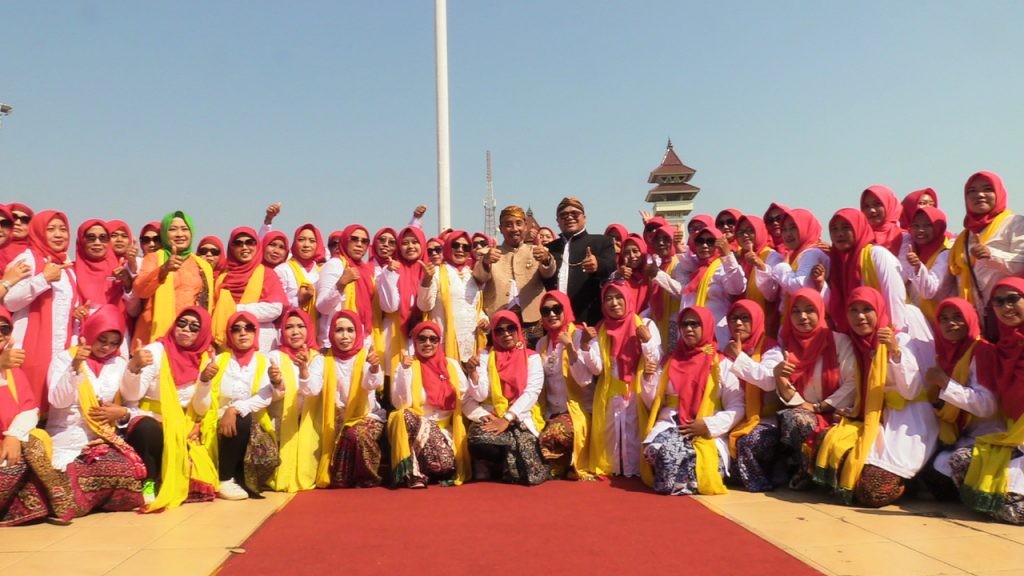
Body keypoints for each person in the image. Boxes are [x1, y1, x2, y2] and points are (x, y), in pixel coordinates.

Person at [814, 287, 937, 507]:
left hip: (907, 422)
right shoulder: (856, 344)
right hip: (874, 418)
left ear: (879, 310)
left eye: (867, 309)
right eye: (854, 310)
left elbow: (910, 389)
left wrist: (894, 350)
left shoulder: (900, 339)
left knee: (873, 491)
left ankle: (914, 481)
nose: (860, 316)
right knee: (829, 445)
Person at [46, 305, 147, 514]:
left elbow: (131, 401)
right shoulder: (64, 358)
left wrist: (121, 413)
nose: (106, 348)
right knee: (66, 473)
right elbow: (58, 401)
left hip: (102, 440)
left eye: (114, 343)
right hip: (66, 436)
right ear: (91, 332)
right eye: (102, 340)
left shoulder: (118, 363)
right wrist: (75, 366)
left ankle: (84, 498)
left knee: (125, 472)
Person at [122, 306, 218, 511]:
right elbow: (132, 395)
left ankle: (164, 479)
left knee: (198, 472)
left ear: (202, 333)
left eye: (194, 327)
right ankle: (148, 482)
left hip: (183, 422)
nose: (186, 330)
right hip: (150, 415)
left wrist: (204, 382)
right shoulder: (156, 352)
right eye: (181, 323)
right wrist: (134, 368)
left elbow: (201, 408)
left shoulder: (204, 358)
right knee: (149, 429)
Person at [641, 306, 743, 495]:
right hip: (673, 425)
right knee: (656, 451)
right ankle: (685, 479)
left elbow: (737, 406)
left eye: (695, 324)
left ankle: (685, 479)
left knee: (700, 461)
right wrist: (648, 380)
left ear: (707, 326)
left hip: (707, 429)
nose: (688, 329)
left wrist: (708, 425)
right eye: (684, 324)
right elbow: (652, 403)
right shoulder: (670, 362)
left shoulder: (720, 363)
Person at [951, 278, 1024, 524]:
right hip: (1014, 438)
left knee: (1011, 510)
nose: (1006, 307)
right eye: (999, 301)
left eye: (1014, 298)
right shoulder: (1002, 350)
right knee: (960, 461)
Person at [0, 306, 78, 525]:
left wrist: (14, 435)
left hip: (8, 447)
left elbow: (28, 408)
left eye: (5, 329)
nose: (0, 335)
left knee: (33, 446)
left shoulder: (13, 370)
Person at [773, 288, 857, 489]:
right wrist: (778, 376)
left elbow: (852, 382)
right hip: (806, 411)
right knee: (795, 419)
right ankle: (807, 471)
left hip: (839, 411)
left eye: (809, 310)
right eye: (796, 311)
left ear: (820, 311)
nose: (802, 316)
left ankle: (825, 475)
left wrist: (821, 406)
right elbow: (786, 386)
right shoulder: (786, 345)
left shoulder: (838, 341)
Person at [916, 298, 999, 501]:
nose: (950, 323)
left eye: (957, 317)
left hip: (991, 436)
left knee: (952, 466)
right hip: (963, 436)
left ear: (970, 319)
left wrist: (945, 383)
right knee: (929, 470)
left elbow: (986, 406)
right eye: (943, 319)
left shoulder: (982, 351)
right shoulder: (945, 354)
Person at [3, 210, 82, 415]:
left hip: (59, 351)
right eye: (51, 229)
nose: (58, 235)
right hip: (29, 350)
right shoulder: (27, 260)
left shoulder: (68, 267)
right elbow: (9, 301)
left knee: (54, 407)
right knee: (26, 408)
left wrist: (78, 313)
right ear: (38, 231)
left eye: (63, 229)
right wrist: (43, 279)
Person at [201, 311, 280, 499]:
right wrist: (204, 380)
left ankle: (235, 476)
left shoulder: (264, 361)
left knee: (241, 419)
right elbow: (204, 397)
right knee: (238, 420)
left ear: (256, 332)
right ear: (229, 335)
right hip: (215, 422)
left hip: (251, 423)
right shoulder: (218, 361)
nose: (243, 333)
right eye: (236, 329)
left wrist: (234, 409)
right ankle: (225, 479)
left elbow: (265, 395)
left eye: (249, 328)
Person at [463, 311, 548, 485]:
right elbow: (480, 394)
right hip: (493, 413)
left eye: (510, 328)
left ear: (518, 330)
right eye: (499, 330)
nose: (506, 334)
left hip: (521, 415)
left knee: (529, 473)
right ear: (493, 334)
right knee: (479, 441)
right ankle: (502, 460)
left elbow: (531, 392)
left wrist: (507, 419)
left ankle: (504, 462)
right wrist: (473, 374)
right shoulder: (486, 355)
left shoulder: (532, 357)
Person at [587, 282, 661, 478]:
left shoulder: (645, 325)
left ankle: (635, 469)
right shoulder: (601, 329)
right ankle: (616, 468)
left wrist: (647, 341)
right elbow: (596, 369)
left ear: (628, 298)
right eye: (609, 298)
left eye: (619, 297)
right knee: (612, 433)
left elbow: (655, 361)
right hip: (610, 390)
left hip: (638, 388)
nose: (614, 303)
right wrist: (586, 346)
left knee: (634, 431)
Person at [304, 310, 385, 488]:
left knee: (355, 433)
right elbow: (311, 389)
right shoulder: (323, 359)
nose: (345, 336)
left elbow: (372, 384)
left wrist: (374, 367)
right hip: (334, 420)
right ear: (331, 333)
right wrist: (304, 370)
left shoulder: (365, 356)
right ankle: (344, 475)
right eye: (339, 330)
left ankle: (368, 477)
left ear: (358, 333)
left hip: (366, 416)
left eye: (350, 330)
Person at [825, 208, 930, 341]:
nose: (839, 234)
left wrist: (894, 335)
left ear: (859, 228)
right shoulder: (837, 262)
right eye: (834, 229)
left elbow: (894, 297)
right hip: (863, 335)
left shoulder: (876, 255)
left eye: (846, 227)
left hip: (894, 332)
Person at [388, 321, 470, 488]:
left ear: (439, 342)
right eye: (422, 339)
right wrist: (404, 370)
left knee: (444, 464)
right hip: (417, 427)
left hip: (444, 431)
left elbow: (465, 394)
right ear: (415, 341)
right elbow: (400, 403)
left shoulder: (451, 365)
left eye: (433, 339)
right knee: (402, 415)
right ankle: (414, 475)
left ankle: (426, 468)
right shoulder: (407, 365)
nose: (427, 343)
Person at [948, 171, 1024, 336]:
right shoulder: (964, 236)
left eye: (988, 189)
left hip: (1011, 314)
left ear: (998, 193)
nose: (979, 195)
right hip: (978, 320)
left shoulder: (1014, 223)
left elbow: (1021, 264)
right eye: (972, 191)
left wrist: (991, 255)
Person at [535, 291, 598, 479]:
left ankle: (565, 460)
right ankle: (562, 461)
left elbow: (585, 380)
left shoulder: (580, 335)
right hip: (550, 412)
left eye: (557, 308)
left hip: (576, 410)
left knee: (551, 437)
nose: (552, 315)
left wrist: (570, 348)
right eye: (546, 311)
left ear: (566, 308)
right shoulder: (541, 343)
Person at [723, 300, 784, 492]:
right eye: (734, 318)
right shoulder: (724, 348)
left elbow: (768, 380)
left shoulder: (771, 348)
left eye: (745, 318)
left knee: (747, 443)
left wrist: (739, 357)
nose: (739, 324)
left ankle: (763, 480)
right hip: (734, 416)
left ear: (756, 320)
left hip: (764, 420)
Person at [132, 211, 214, 346]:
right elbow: (140, 290)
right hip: (155, 338)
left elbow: (208, 305)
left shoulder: (203, 265)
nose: (180, 234)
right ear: (164, 234)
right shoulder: (155, 257)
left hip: (190, 338)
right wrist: (164, 269)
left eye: (184, 229)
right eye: (173, 229)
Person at [474, 206, 550, 343]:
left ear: (525, 226)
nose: (514, 229)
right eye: (508, 225)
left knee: (532, 359)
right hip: (500, 320)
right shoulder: (490, 253)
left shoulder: (536, 251)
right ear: (501, 228)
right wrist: (485, 262)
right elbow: (479, 278)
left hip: (532, 319)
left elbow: (549, 272)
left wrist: (546, 259)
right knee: (502, 361)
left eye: (519, 224)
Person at [539, 197, 616, 326]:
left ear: (584, 218)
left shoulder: (601, 242)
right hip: (555, 322)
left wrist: (598, 264)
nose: (569, 217)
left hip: (589, 321)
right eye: (563, 215)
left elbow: (612, 267)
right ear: (557, 221)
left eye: (574, 213)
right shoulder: (550, 249)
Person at [266, 308, 319, 492]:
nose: (295, 332)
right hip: (280, 420)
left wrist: (305, 369)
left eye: (300, 326)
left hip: (309, 420)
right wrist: (276, 381)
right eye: (289, 327)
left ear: (309, 329)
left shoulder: (317, 358)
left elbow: (313, 391)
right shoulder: (274, 357)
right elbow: (271, 396)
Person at [210, 227, 287, 353]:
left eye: (249, 242)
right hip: (225, 342)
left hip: (261, 343)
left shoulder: (267, 273)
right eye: (238, 243)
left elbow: (275, 308)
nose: (244, 247)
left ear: (257, 245)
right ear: (231, 248)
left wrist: (235, 309)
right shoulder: (222, 278)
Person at [418, 231, 488, 366]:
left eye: (466, 247)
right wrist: (427, 280)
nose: (461, 250)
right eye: (456, 245)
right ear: (448, 248)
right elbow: (424, 306)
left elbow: (475, 308)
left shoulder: (472, 275)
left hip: (471, 343)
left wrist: (484, 319)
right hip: (445, 345)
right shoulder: (437, 273)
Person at [677, 225, 746, 348]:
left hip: (717, 334)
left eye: (710, 241)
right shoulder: (695, 269)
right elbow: (685, 259)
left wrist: (727, 255)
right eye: (700, 241)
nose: (704, 246)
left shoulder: (722, 266)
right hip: (691, 334)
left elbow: (737, 287)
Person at [315, 225, 375, 349]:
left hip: (360, 340)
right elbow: (322, 307)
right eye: (354, 239)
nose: (359, 244)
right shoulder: (335, 265)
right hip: (334, 341)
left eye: (364, 241)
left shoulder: (366, 270)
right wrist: (341, 284)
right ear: (345, 241)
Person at [900, 206, 954, 321]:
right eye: (916, 226)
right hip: (917, 321)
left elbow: (928, 292)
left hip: (939, 321)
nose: (920, 230)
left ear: (938, 227)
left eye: (927, 225)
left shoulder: (945, 254)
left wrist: (918, 267)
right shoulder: (912, 249)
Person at [273, 223, 325, 341]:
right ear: (294, 243)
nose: (306, 245)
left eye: (312, 241)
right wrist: (298, 301)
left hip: (315, 338)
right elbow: (275, 307)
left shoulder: (321, 272)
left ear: (318, 245)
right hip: (288, 336)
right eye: (301, 240)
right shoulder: (282, 270)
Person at [735, 215, 783, 336]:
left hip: (765, 323)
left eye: (750, 231)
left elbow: (772, 294)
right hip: (741, 323)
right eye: (741, 232)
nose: (745, 235)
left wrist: (760, 266)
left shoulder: (772, 256)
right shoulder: (738, 258)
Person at [74, 219, 132, 315]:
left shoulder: (120, 270)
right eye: (91, 237)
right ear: (81, 240)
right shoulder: (70, 272)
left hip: (118, 326)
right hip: (83, 327)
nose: (97, 242)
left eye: (103, 238)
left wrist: (128, 283)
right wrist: (74, 312)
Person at [860, 185, 905, 256]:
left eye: (877, 204)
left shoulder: (903, 237)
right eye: (866, 206)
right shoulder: (859, 238)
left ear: (889, 205)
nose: (872, 210)